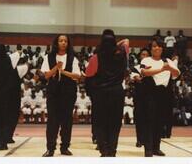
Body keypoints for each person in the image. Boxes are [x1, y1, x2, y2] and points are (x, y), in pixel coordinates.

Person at [85, 29, 128, 157]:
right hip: (117, 92)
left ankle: (104, 150)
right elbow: (126, 42)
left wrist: (91, 93)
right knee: (115, 123)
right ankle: (112, 150)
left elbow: (88, 75)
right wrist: (116, 45)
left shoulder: (95, 57)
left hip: (100, 93)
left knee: (100, 123)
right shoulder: (122, 54)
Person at [41, 34, 81, 157]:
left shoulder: (73, 58)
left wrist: (62, 71)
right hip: (53, 92)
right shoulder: (49, 57)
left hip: (68, 92)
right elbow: (46, 75)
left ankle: (65, 147)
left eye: (65, 41)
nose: (63, 43)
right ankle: (50, 148)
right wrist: (56, 68)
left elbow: (77, 76)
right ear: (56, 43)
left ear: (68, 44)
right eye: (61, 41)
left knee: (67, 120)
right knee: (52, 120)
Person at [141, 40, 180, 157]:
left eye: (158, 46)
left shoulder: (167, 61)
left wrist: (170, 68)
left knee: (159, 121)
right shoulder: (146, 60)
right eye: (154, 46)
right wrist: (163, 69)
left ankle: (156, 147)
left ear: (162, 49)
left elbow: (176, 74)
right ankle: (148, 148)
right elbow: (144, 72)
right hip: (150, 93)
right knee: (149, 121)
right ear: (151, 49)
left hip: (164, 94)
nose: (156, 48)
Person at [0, 44, 13, 150]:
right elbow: (11, 80)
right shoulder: (7, 63)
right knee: (4, 119)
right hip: (5, 96)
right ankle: (2, 142)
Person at [130, 48, 150, 147]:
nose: (145, 56)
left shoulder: (153, 67)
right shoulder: (136, 68)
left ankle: (148, 140)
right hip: (139, 97)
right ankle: (139, 139)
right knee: (139, 119)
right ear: (140, 56)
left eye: (147, 55)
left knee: (149, 119)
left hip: (151, 97)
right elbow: (136, 78)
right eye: (143, 54)